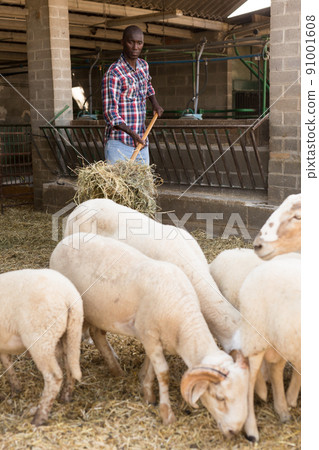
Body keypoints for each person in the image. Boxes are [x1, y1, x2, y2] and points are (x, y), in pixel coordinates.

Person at [102, 25, 164, 164]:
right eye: (131, 42)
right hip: (119, 145)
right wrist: (133, 135)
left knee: (143, 186)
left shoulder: (143, 66)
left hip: (141, 143)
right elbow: (110, 114)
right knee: (119, 186)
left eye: (139, 43)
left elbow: (148, 85)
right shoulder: (114, 73)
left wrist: (155, 103)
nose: (135, 47)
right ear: (123, 42)